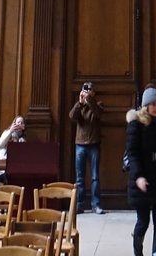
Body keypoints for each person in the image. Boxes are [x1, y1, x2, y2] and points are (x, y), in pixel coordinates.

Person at [126, 87, 156, 256]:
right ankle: (138, 253)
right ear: (145, 106)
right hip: (143, 177)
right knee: (143, 221)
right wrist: (138, 176)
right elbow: (133, 153)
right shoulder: (136, 124)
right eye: (153, 104)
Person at [70, 81, 104, 214]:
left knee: (95, 176)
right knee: (80, 177)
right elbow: (72, 116)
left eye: (89, 90)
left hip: (94, 144)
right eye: (85, 90)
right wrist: (80, 103)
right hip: (80, 144)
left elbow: (97, 114)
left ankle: (96, 204)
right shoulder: (80, 106)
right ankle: (79, 204)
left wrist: (89, 100)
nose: (87, 92)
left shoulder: (98, 104)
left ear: (93, 93)